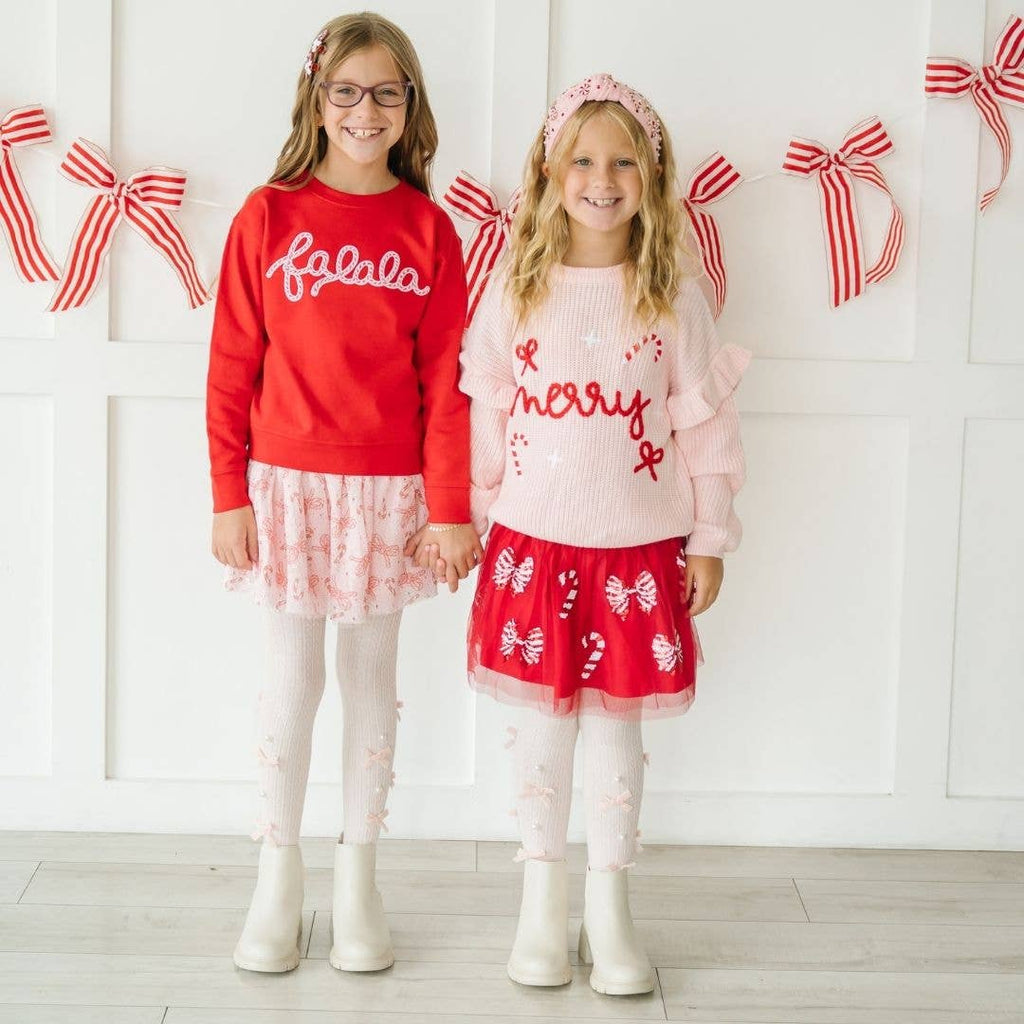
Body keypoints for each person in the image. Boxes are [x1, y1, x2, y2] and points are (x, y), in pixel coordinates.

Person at [444, 73, 750, 994]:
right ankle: (542, 905)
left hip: (638, 556)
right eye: (581, 159)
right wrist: (473, 518)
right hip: (533, 550)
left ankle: (610, 911)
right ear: (550, 173)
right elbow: (485, 418)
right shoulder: (514, 292)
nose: (602, 178)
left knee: (617, 734)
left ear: (652, 179)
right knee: (543, 732)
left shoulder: (672, 300)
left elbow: (705, 430)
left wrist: (709, 536)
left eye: (623, 161)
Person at [205, 12, 481, 975]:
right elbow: (232, 363)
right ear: (317, 103)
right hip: (282, 486)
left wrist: (451, 509)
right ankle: (276, 881)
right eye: (347, 92)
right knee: (291, 679)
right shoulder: (267, 216)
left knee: (371, 683)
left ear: (410, 108)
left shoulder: (428, 229)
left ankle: (358, 880)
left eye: (387, 93)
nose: (366, 111)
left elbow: (449, 381)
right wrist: (226, 491)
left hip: (389, 494)